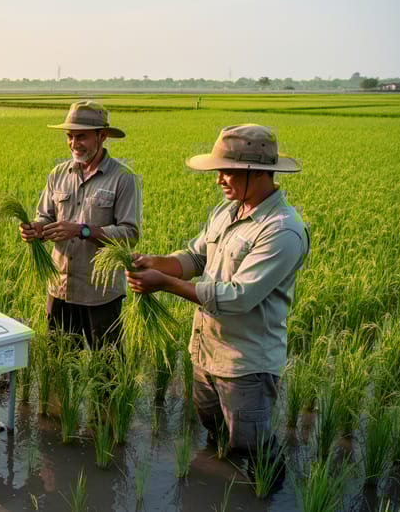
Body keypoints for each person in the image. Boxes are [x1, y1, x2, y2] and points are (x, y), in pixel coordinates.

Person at [126, 124, 307, 479]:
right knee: (215, 432)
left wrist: (163, 283)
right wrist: (156, 261)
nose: (219, 180)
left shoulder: (282, 229)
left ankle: (265, 495)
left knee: (253, 446)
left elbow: (239, 297)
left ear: (257, 172)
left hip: (245, 364)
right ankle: (217, 487)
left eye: (227, 171)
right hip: (206, 351)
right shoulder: (226, 211)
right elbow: (195, 258)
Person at [19, 100, 141, 349]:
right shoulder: (58, 174)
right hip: (60, 289)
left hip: (100, 294)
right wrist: (36, 229)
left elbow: (129, 234)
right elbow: (46, 217)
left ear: (102, 136)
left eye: (81, 136)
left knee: (108, 371)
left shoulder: (123, 178)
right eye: (70, 136)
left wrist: (82, 230)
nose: (74, 144)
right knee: (60, 365)